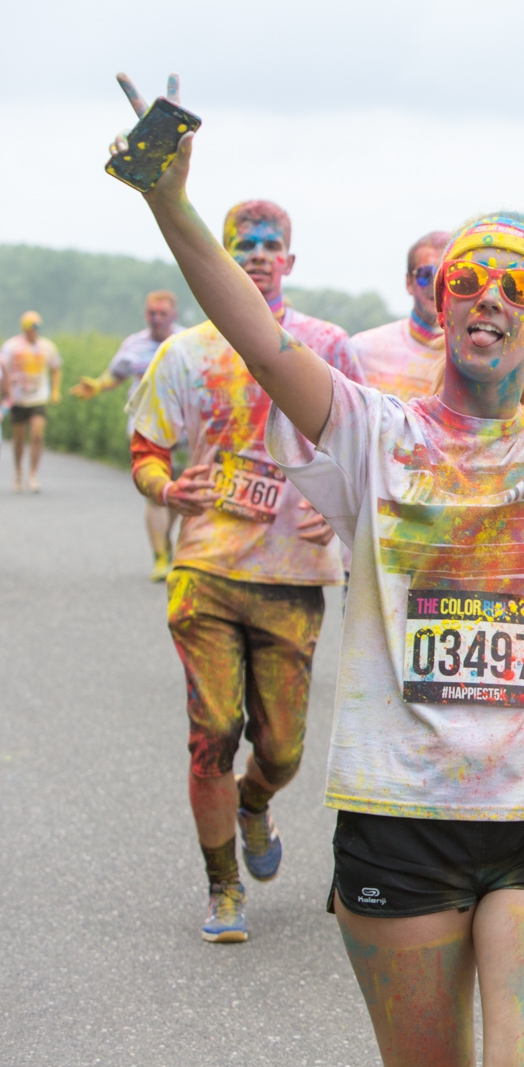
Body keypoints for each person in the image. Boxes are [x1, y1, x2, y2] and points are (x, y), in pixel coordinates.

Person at [113, 75, 524, 1064]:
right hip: (398, 814)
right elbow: (256, 333)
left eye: (518, 287)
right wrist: (169, 200)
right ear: (438, 301)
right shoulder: (366, 430)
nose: (491, 298)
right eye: (468, 280)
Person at [116, 68, 362, 947]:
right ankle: (223, 887)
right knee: (212, 730)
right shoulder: (183, 353)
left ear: (290, 259)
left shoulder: (329, 348)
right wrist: (162, 486)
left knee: (284, 748)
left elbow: (360, 450)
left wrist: (333, 514)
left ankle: (259, 803)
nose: (256, 253)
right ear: (220, 251)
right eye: (242, 242)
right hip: (207, 568)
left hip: (294, 576)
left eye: (269, 243)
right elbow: (145, 449)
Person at [70, 290, 183, 578]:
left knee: (178, 493)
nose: (156, 318)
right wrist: (96, 385)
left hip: (184, 432)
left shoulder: (186, 342)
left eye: (162, 313)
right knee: (154, 493)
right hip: (144, 428)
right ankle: (160, 558)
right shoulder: (133, 344)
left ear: (174, 314)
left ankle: (166, 540)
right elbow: (116, 375)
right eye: (151, 313)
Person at [348, 231, 450, 401]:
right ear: (408, 283)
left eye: (447, 276)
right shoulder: (362, 350)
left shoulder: (474, 362)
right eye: (427, 275)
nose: (437, 287)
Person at [1, 311, 62, 492]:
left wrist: (55, 391)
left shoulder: (47, 347)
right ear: (24, 328)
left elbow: (56, 368)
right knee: (19, 439)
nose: (33, 330)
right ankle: (18, 472)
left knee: (37, 435)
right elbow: (2, 368)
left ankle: (33, 474)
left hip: (38, 397)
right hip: (18, 398)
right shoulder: (11, 346)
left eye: (36, 327)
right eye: (30, 326)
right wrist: (6, 388)